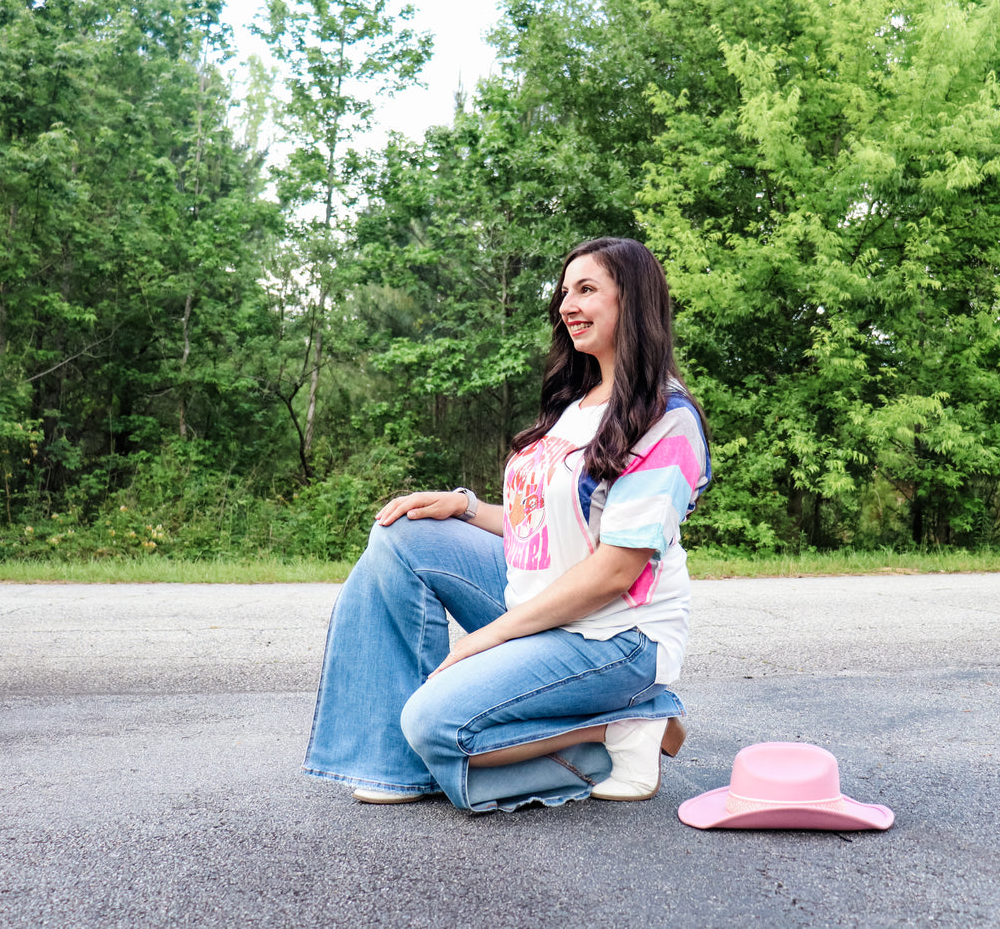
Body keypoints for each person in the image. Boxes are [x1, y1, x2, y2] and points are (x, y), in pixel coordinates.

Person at [302, 237, 711, 812]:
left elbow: (615, 569)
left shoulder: (666, 418)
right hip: (546, 607)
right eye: (565, 292)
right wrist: (465, 507)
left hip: (616, 637)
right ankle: (398, 765)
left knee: (434, 723)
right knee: (402, 536)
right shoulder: (580, 401)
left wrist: (487, 638)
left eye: (588, 289)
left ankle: (618, 730)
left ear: (635, 302)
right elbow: (546, 526)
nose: (568, 305)